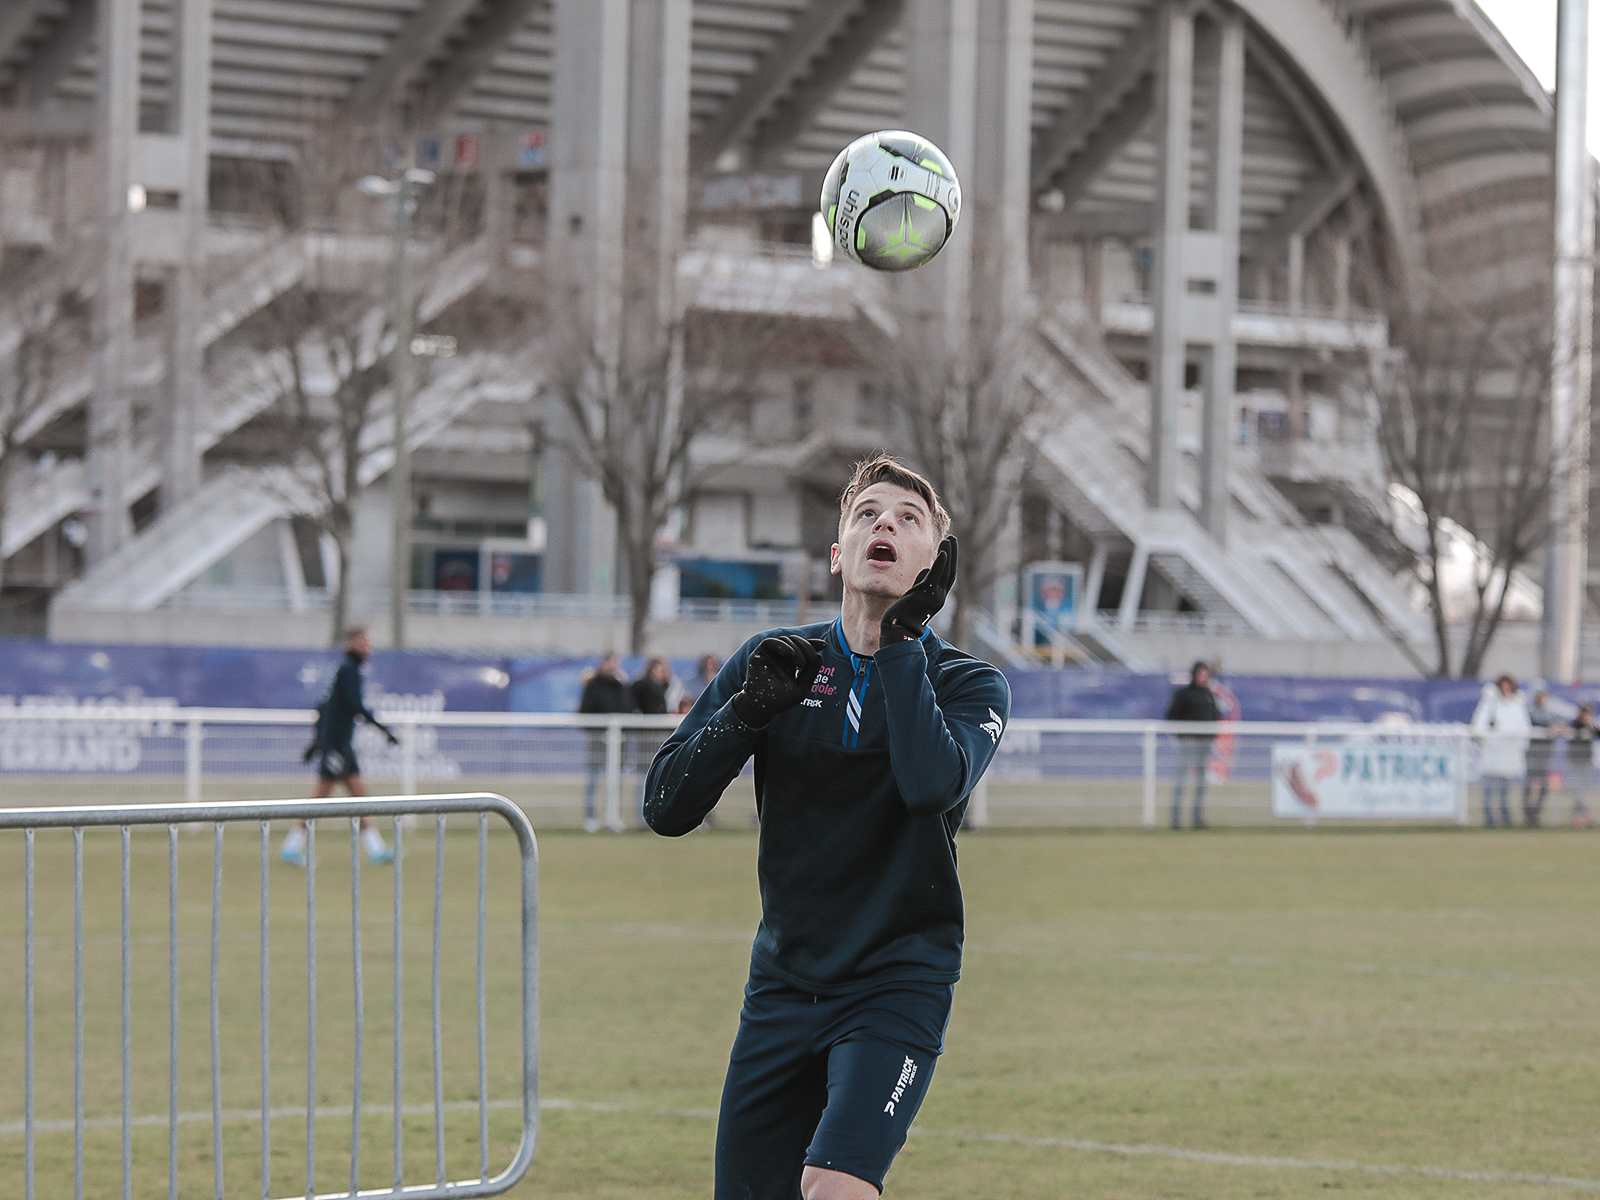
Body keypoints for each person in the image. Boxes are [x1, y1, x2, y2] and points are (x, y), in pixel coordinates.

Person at [644, 455, 1010, 1200]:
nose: (887, 523)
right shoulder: (774, 662)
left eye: (910, 521)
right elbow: (666, 807)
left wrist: (903, 642)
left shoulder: (969, 684)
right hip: (781, 985)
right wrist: (748, 710)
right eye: (868, 513)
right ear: (839, 554)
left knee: (834, 1186)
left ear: (935, 566)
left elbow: (931, 785)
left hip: (897, 983)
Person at [280, 628, 399, 866]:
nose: (369, 647)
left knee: (359, 794)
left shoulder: (344, 669)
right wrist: (383, 729)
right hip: (337, 744)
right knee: (321, 797)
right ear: (352, 642)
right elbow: (354, 705)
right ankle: (290, 847)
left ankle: (376, 850)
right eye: (365, 642)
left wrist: (315, 744)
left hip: (340, 743)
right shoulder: (348, 670)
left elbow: (325, 706)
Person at [578, 652, 634, 833]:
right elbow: (584, 712)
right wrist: (598, 731)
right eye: (608, 663)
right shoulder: (593, 685)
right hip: (598, 740)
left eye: (613, 663)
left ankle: (614, 818)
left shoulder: (622, 685)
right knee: (593, 780)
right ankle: (591, 818)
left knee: (616, 781)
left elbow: (628, 708)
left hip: (619, 742)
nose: (611, 666)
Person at [1164, 661, 1221, 829]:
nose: (1204, 678)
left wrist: (1212, 736)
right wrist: (1183, 734)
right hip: (1189, 743)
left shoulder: (1209, 695)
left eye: (1206, 675)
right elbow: (1172, 716)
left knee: (1202, 782)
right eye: (1201, 674)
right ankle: (1176, 820)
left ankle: (1197, 819)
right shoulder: (1184, 694)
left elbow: (1214, 718)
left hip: (1205, 743)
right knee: (1182, 780)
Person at [1470, 675, 1530, 828]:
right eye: (1503, 686)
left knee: (1505, 789)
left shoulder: (1517, 703)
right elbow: (1478, 727)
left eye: (1508, 686)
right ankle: (1488, 817)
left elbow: (1524, 728)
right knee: (1490, 787)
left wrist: (1519, 744)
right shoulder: (1489, 703)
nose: (1506, 689)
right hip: (1492, 753)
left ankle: (1505, 817)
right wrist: (1491, 737)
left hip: (1509, 754)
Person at [1523, 688, 1559, 826]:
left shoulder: (1550, 713)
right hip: (1532, 754)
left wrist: (1557, 727)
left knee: (1543, 787)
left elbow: (1558, 724)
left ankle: (1535, 813)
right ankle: (1528, 814)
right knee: (1529, 786)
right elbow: (1533, 722)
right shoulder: (1531, 712)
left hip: (1545, 756)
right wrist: (1548, 727)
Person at [1565, 702, 1598, 828]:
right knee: (1577, 789)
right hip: (1575, 761)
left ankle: (1574, 818)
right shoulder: (1575, 724)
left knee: (1582, 791)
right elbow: (1573, 729)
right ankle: (1587, 814)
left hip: (1586, 761)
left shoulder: (1591, 725)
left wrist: (1590, 724)